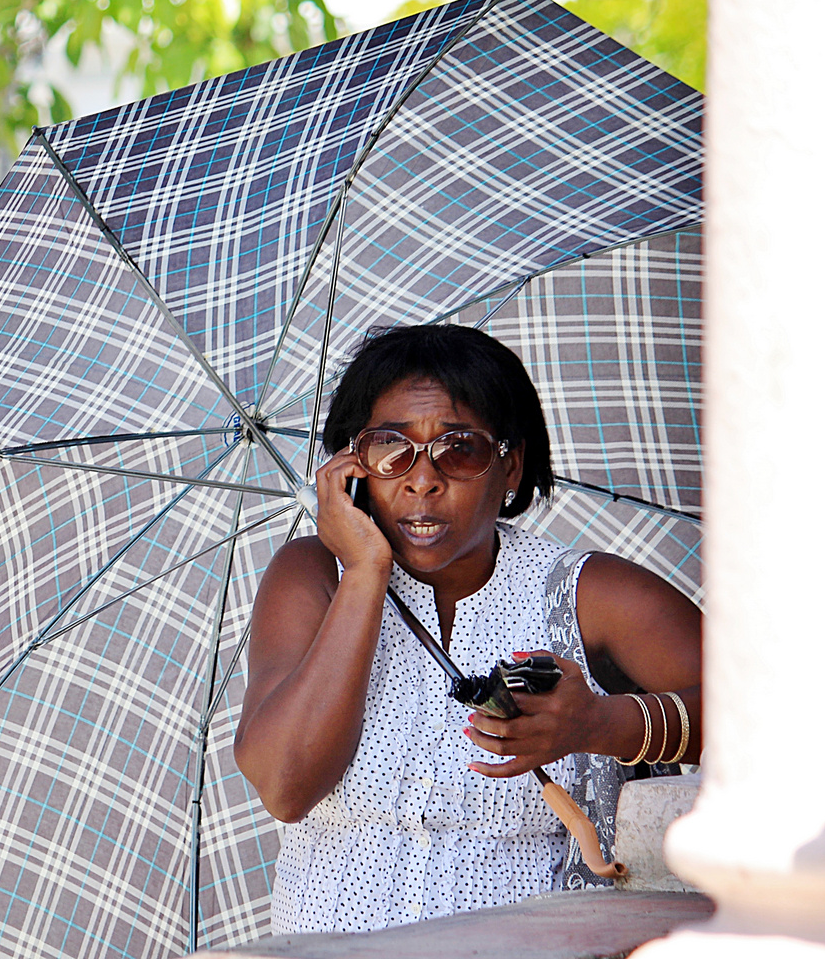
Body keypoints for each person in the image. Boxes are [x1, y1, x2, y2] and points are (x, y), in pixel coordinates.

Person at [234, 324, 702, 933]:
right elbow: (286, 786)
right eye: (389, 449)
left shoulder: (587, 594)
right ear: (353, 471)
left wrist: (600, 724)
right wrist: (366, 572)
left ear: (510, 468)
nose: (422, 479)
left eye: (459, 449)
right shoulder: (314, 577)